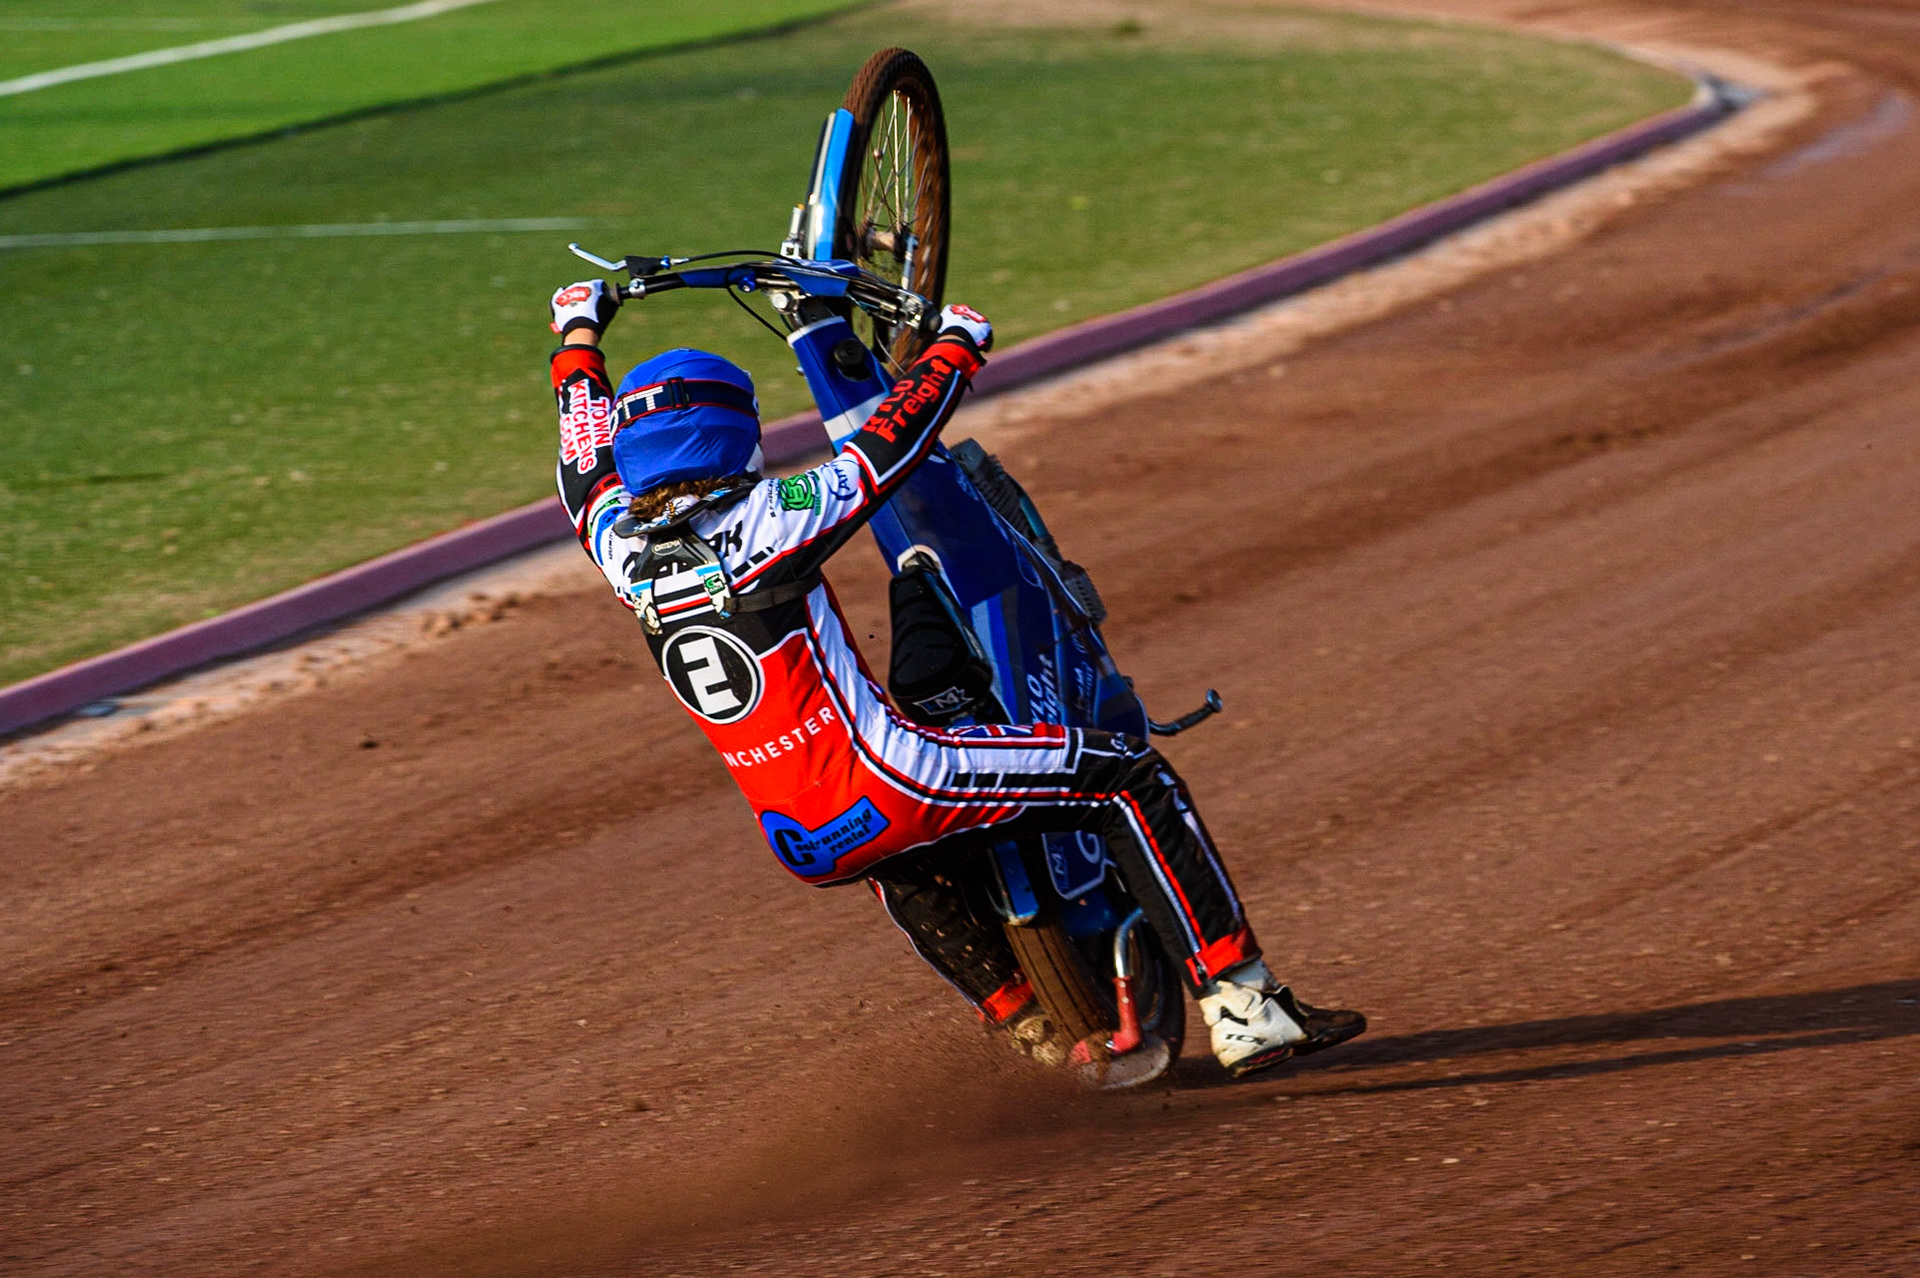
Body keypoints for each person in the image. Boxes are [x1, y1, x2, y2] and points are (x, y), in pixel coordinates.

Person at [545, 278, 1366, 1078]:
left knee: (887, 857)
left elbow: (581, 459)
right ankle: (1244, 1004)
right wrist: (954, 349)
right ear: (736, 434)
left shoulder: (615, 543)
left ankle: (1033, 1029)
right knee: (1127, 778)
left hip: (797, 836)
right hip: (900, 777)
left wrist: (578, 334)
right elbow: (885, 448)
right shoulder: (770, 514)